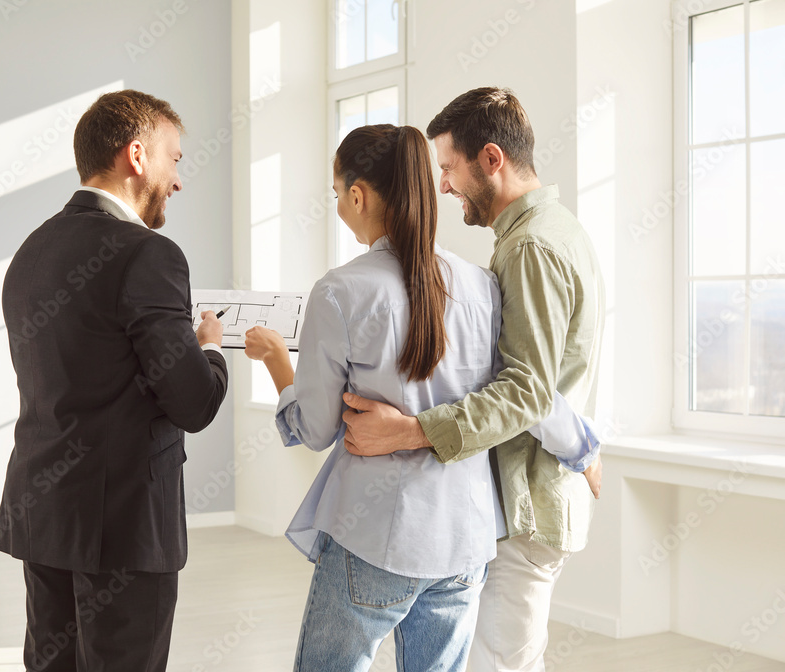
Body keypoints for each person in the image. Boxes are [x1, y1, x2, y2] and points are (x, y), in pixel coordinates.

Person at [244, 123, 597, 672]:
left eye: (338, 195)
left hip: (377, 536)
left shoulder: (340, 291)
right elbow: (526, 389)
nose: (339, 205)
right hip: (466, 540)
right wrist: (584, 447)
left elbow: (313, 431)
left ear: (358, 196)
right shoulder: (481, 284)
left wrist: (276, 363)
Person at [342, 88, 606, 672]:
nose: (441, 185)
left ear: (491, 159)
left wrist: (411, 431)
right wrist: (584, 444)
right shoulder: (551, 231)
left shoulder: (531, 248)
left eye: (448, 168)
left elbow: (527, 390)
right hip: (523, 493)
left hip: (526, 501)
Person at [0, 90, 229, 672]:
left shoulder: (33, 249)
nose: (178, 180)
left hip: (44, 511)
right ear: (137, 155)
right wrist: (212, 351)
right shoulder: (149, 255)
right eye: (174, 159)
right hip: (123, 527)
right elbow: (193, 402)